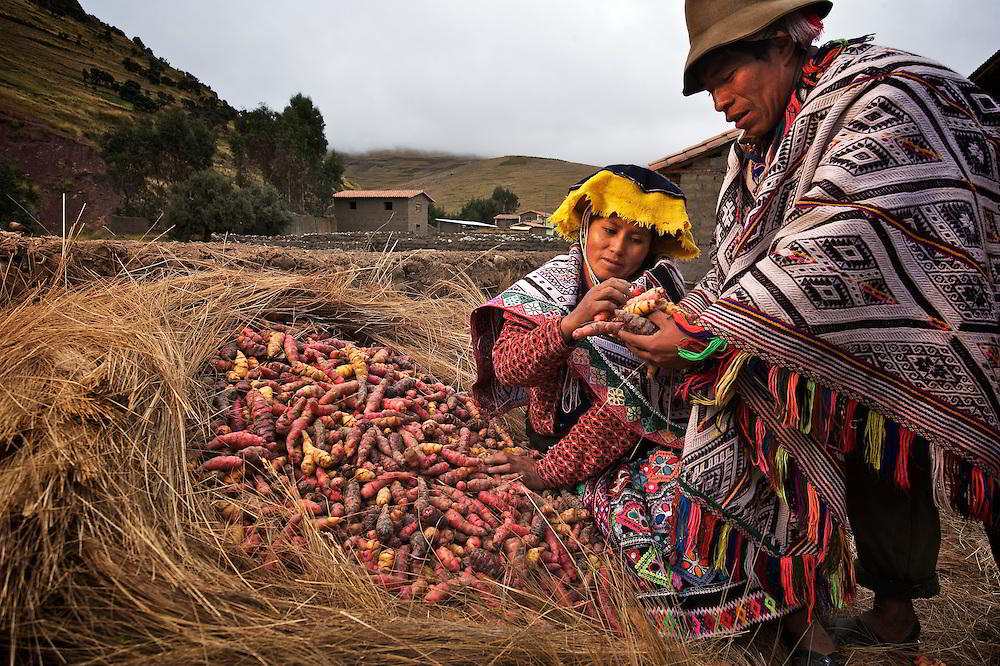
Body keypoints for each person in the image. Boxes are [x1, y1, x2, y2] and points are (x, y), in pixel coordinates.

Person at [611, 1, 998, 663]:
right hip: (868, 346)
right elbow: (744, 260)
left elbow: (841, 232)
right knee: (876, 442)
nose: (719, 101)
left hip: (962, 325)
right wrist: (695, 314)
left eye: (726, 75)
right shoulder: (759, 158)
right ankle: (893, 614)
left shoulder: (882, 98)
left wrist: (710, 331)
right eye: (707, 89)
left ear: (783, 45)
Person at [471, 165, 802, 640]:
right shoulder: (546, 289)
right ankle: (721, 626)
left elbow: (630, 414)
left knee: (730, 487)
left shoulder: (663, 305)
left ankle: (767, 619)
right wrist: (568, 326)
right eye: (609, 230)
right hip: (566, 446)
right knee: (662, 507)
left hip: (643, 442)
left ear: (653, 248)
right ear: (585, 225)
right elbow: (509, 369)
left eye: (637, 239)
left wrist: (548, 473)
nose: (618, 249)